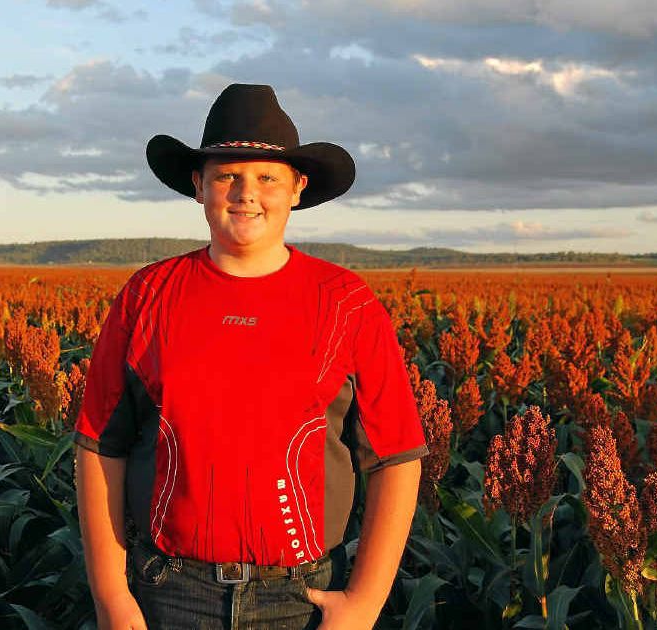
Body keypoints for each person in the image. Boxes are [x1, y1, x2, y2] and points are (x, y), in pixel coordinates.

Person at [74, 83, 426, 629]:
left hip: (300, 598)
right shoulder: (148, 296)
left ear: (298, 188)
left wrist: (363, 604)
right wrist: (113, 601)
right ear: (198, 185)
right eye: (226, 176)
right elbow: (100, 447)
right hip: (166, 592)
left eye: (267, 178)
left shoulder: (347, 304)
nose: (246, 194)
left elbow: (396, 458)